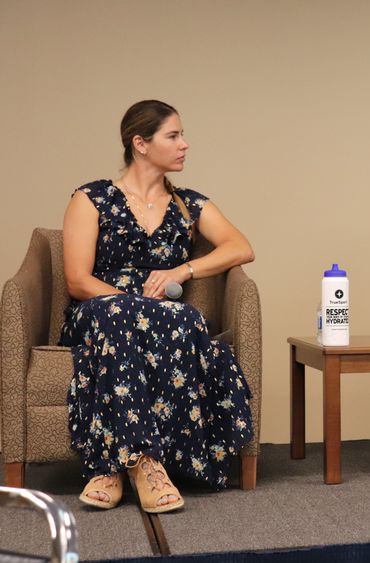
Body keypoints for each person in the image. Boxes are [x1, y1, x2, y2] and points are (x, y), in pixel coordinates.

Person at [60, 100, 256, 512]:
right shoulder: (91, 198)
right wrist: (129, 302)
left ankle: (113, 468)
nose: (185, 144)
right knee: (118, 314)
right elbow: (78, 281)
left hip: (162, 314)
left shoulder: (190, 204)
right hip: (101, 307)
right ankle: (147, 464)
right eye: (174, 135)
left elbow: (242, 248)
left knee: (186, 318)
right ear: (140, 144)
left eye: (182, 135)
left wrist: (184, 269)